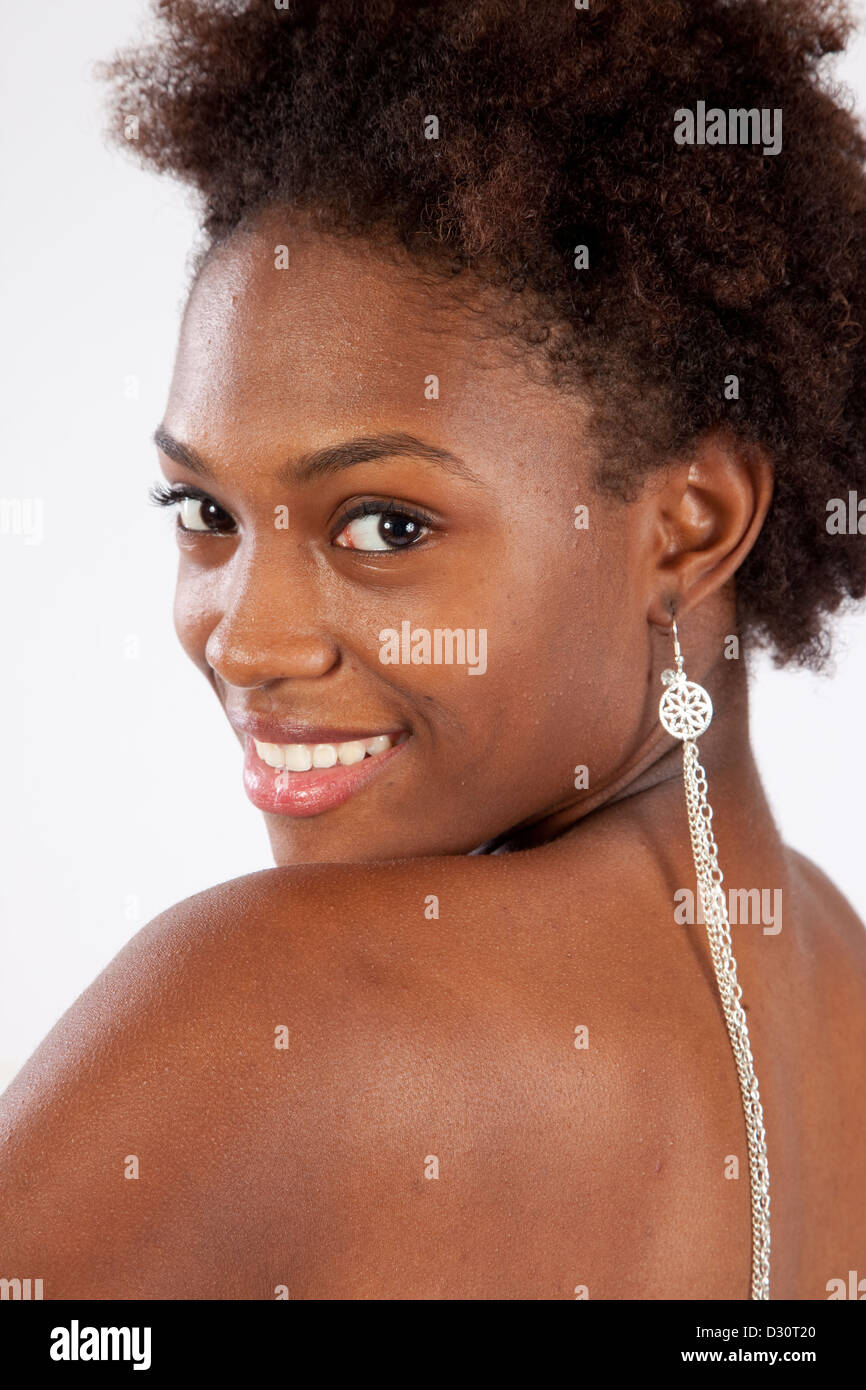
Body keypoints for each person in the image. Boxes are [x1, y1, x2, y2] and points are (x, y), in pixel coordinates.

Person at [1, 0, 865, 1300]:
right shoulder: (838, 988)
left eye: (383, 524)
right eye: (205, 514)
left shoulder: (270, 1003)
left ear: (691, 526)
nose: (247, 638)